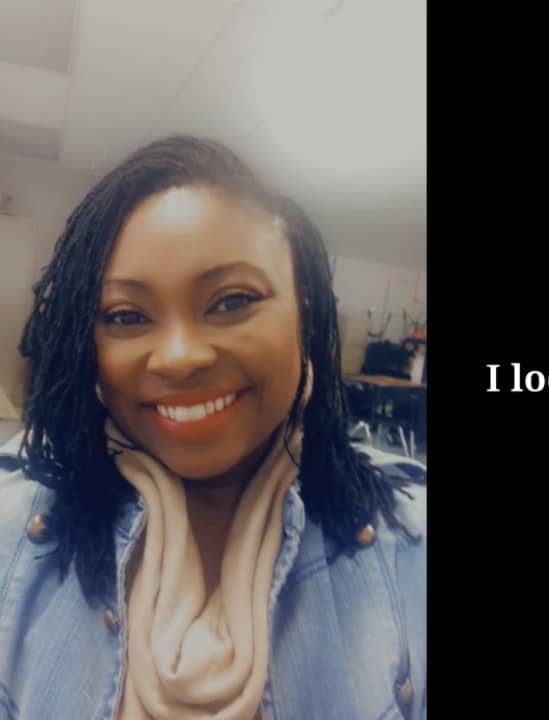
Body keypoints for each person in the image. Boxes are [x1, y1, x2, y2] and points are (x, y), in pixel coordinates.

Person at [0, 136, 426, 719]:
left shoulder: (409, 544)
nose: (180, 357)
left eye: (231, 302)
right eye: (126, 316)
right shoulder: (14, 530)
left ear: (304, 314)